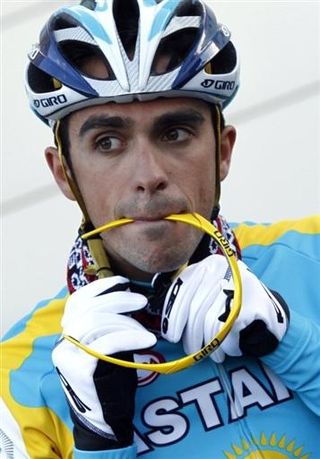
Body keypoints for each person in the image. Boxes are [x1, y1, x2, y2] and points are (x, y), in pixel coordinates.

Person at [1, 0, 319, 457]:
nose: (148, 174)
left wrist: (296, 347)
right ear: (64, 173)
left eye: (174, 134)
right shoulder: (15, 379)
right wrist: (100, 442)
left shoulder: (313, 255)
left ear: (223, 151)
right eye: (107, 142)